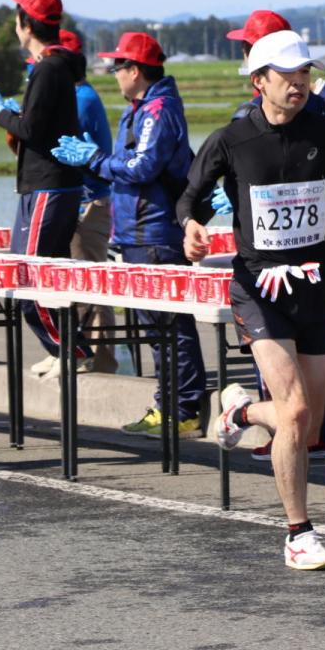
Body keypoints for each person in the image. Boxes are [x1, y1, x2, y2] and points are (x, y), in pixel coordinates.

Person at [178, 30, 325, 570]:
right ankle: (299, 534)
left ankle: (240, 409)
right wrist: (191, 225)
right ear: (258, 81)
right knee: (292, 412)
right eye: (286, 76)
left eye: (304, 74)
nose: (298, 84)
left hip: (317, 282)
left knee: (307, 425)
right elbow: (190, 194)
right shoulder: (232, 138)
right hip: (259, 287)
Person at [52, 32, 205, 438]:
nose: (114, 74)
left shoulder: (158, 110)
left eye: (118, 67)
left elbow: (141, 168)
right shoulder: (141, 108)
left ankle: (185, 410)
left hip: (155, 233)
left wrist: (95, 159)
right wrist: (95, 162)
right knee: (157, 331)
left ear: (135, 70)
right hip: (137, 233)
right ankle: (167, 405)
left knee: (171, 327)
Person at [0, 0, 92, 367]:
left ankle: (72, 351)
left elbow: (32, 131)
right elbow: (40, 123)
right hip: (47, 186)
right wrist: (12, 110)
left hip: (48, 187)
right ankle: (64, 349)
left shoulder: (49, 68)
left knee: (28, 277)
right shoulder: (51, 67)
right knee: (44, 277)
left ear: (26, 24)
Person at [30, 29, 117, 377]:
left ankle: (102, 363)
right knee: (69, 283)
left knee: (90, 286)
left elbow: (46, 142)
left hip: (88, 202)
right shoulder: (74, 94)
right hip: (75, 200)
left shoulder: (79, 98)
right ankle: (66, 349)